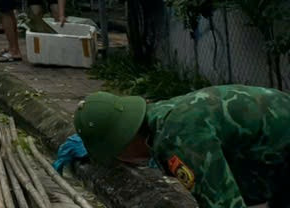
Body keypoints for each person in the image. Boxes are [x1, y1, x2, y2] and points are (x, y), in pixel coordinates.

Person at [74, 85, 290, 208]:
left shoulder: (178, 137)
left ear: (125, 141)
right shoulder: (162, 115)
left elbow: (225, 204)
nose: (120, 161)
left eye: (116, 155)